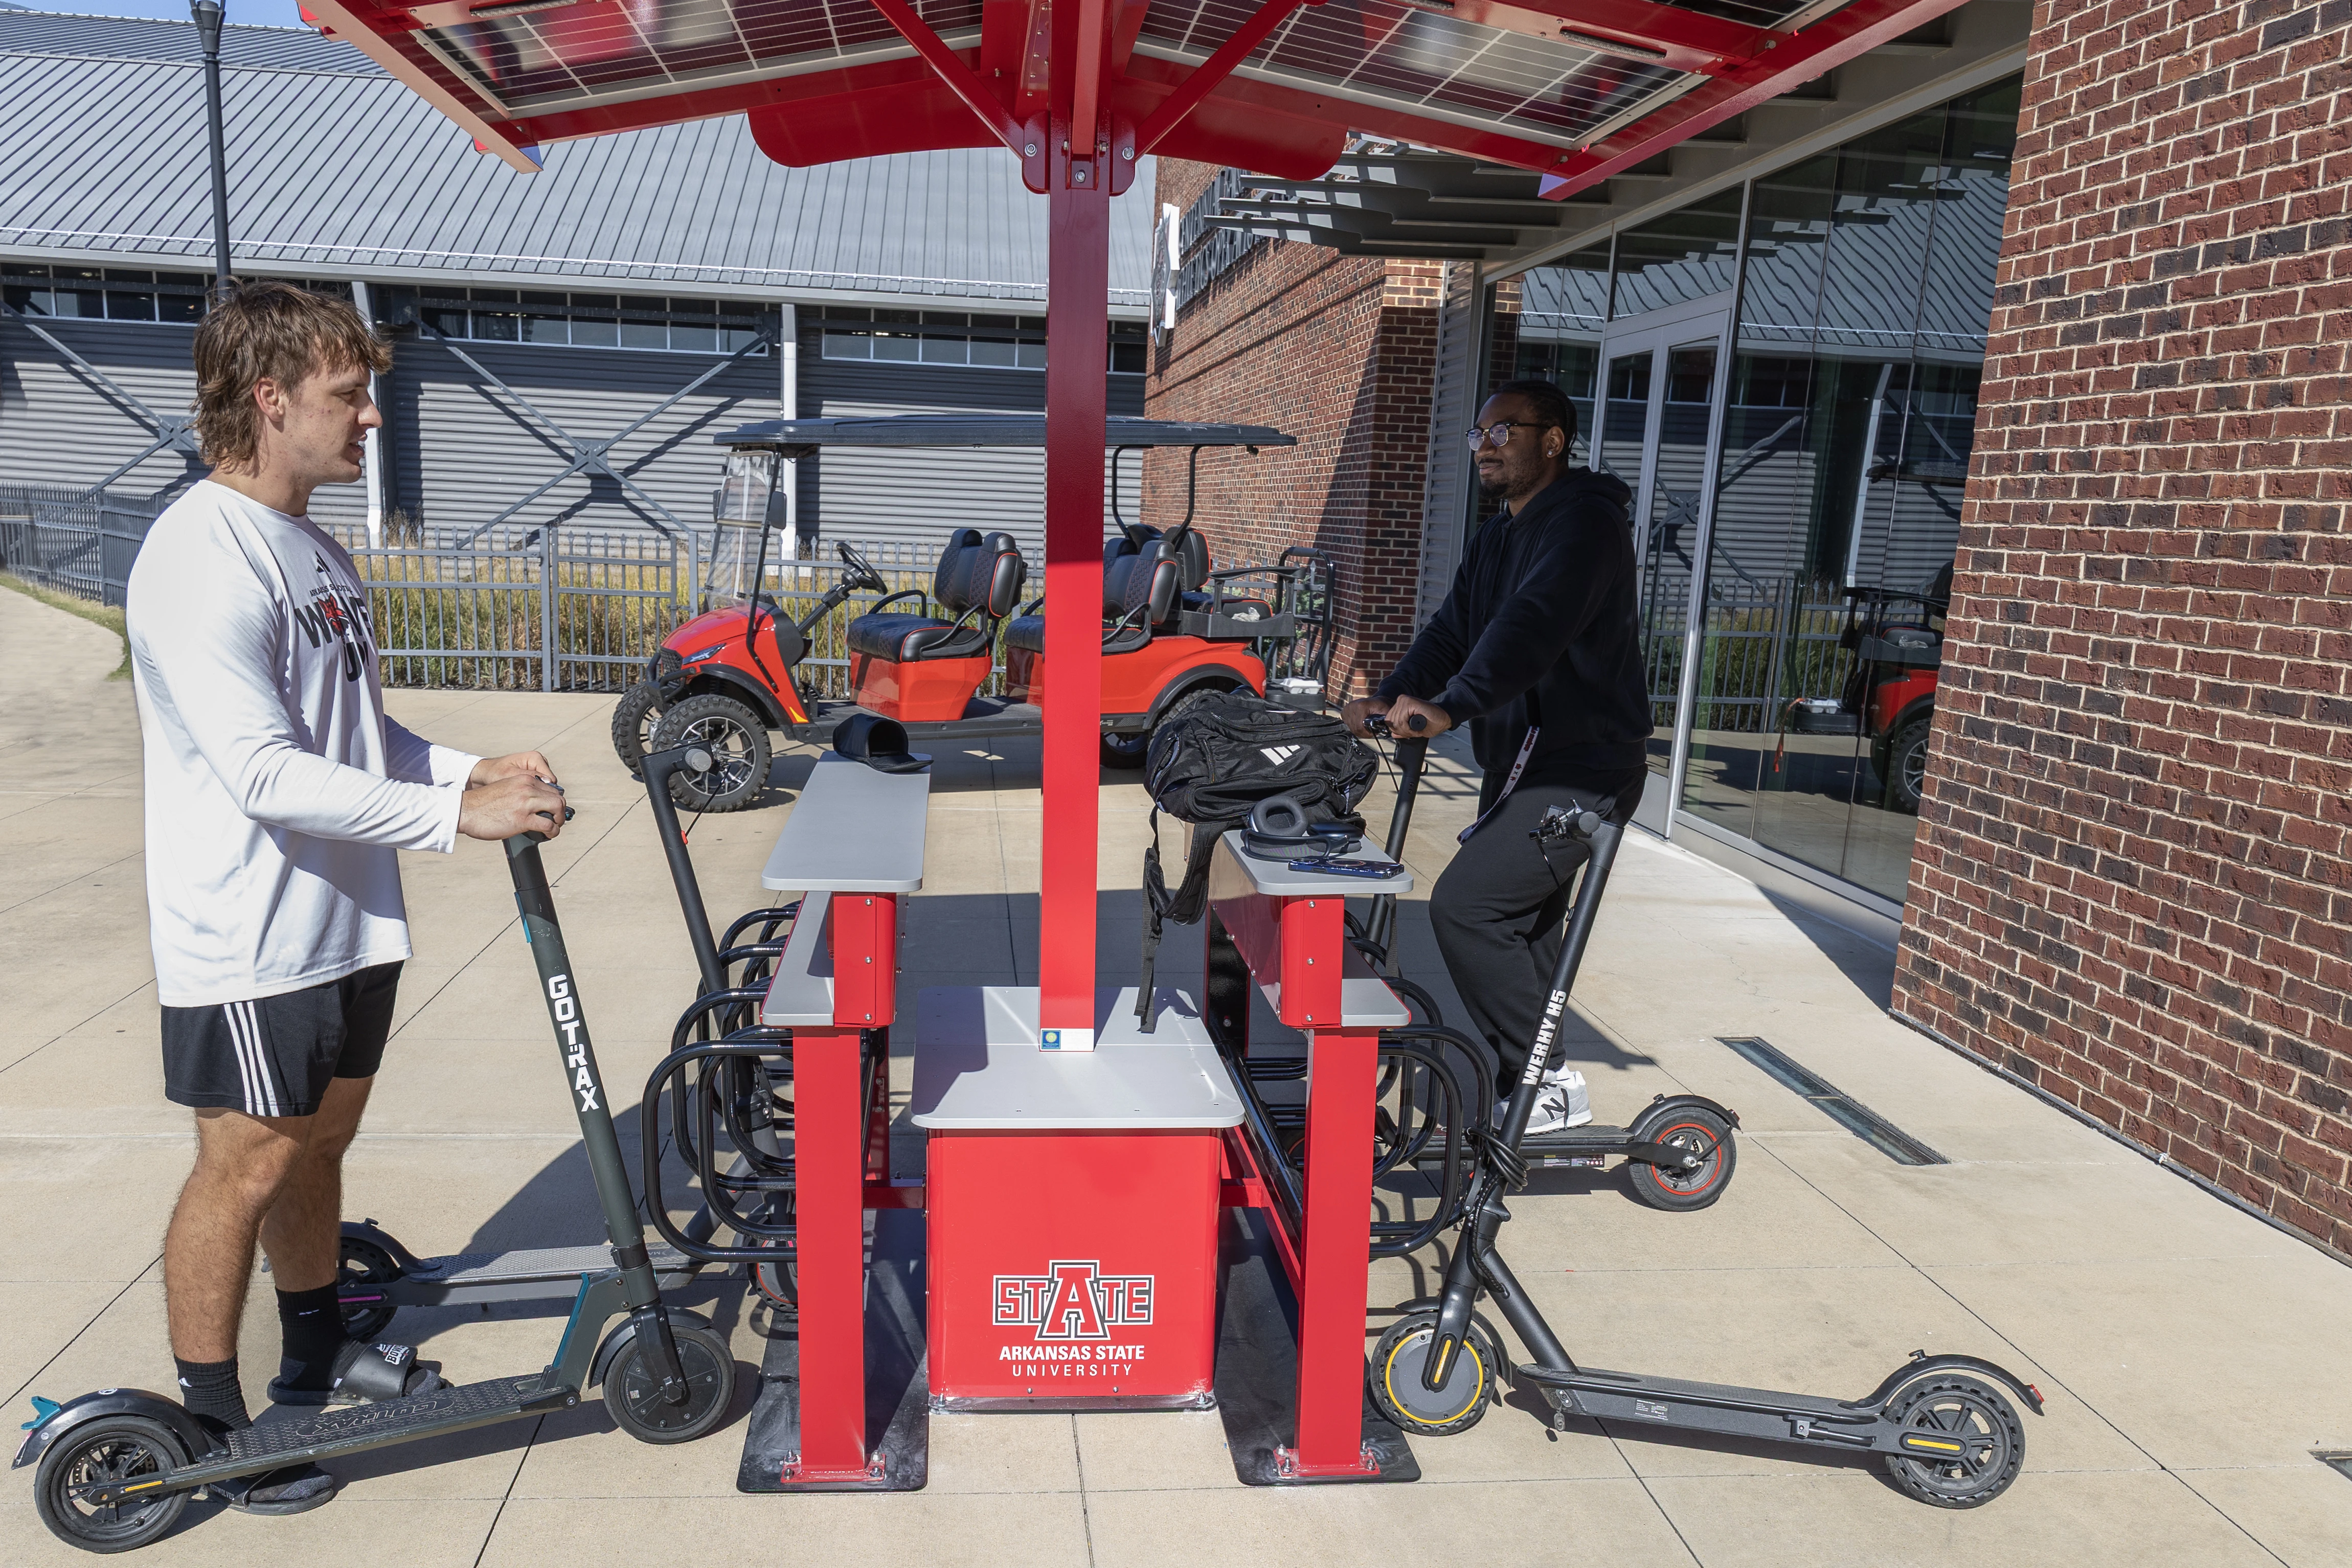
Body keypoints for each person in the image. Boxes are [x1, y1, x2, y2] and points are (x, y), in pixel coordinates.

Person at [126, 281, 569, 1516]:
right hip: (252, 934)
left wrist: (465, 770)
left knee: (320, 1146)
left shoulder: (311, 544)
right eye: (348, 396)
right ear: (269, 401)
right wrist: (449, 818)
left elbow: (353, 733)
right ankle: (216, 1423)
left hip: (345, 920)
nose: (371, 417)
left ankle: (313, 1361)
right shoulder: (197, 558)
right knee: (245, 1167)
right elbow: (263, 769)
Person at [1344, 378, 1650, 1133]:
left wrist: (1454, 704)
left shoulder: (1585, 526)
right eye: (1478, 432)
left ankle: (1546, 1082)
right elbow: (1455, 631)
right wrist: (1393, 693)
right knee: (1525, 929)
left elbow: (1533, 625)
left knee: (1469, 909)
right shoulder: (1497, 537)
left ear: (1553, 440)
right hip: (1521, 764)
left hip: (1584, 767)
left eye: (1503, 430)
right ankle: (1538, 1088)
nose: (1484, 444)